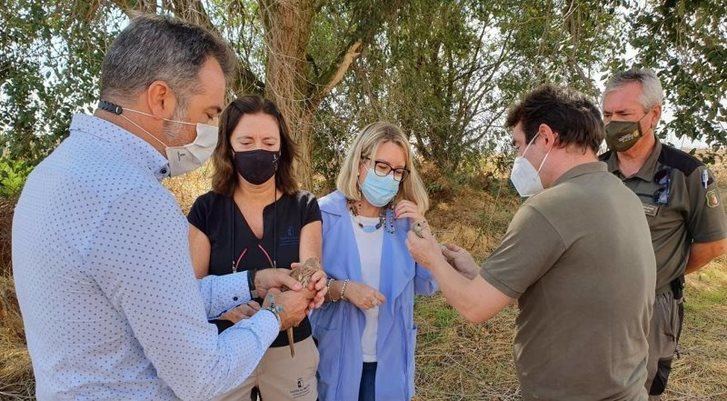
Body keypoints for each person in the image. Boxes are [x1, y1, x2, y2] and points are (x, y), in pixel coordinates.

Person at [12, 15, 326, 401]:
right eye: (210, 114)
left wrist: (251, 282)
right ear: (161, 99)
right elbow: (203, 377)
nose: (208, 129)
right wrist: (274, 316)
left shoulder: (53, 173)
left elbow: (157, 299)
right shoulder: (133, 198)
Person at [406, 85, 656, 401]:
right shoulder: (625, 197)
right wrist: (477, 273)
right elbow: (569, 289)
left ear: (546, 138)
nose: (517, 157)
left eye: (518, 145)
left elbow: (474, 307)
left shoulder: (549, 207)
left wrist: (431, 258)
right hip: (628, 390)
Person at [600, 69, 727, 399]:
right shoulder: (593, 171)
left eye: (624, 114)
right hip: (593, 301)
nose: (613, 123)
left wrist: (660, 272)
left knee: (640, 389)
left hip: (652, 308)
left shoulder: (687, 174)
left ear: (653, 114)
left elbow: (712, 244)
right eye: (607, 114)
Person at [187, 95, 322, 401]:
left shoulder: (304, 206)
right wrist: (228, 312)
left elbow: (310, 271)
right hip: (225, 352)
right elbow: (191, 292)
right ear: (228, 148)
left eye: (268, 141)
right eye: (246, 142)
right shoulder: (205, 210)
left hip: (291, 348)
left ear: (281, 147)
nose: (258, 150)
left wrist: (310, 284)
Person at [309, 122, 437, 401]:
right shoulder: (322, 215)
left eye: (398, 171)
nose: (390, 178)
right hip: (335, 355)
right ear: (359, 163)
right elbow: (307, 287)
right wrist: (345, 289)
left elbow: (428, 285)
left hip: (388, 361)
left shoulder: (403, 223)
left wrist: (422, 227)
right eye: (382, 167)